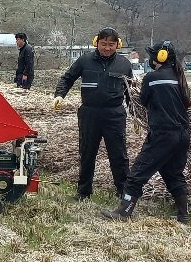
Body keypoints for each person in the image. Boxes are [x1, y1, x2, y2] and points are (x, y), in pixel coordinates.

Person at [105, 41, 191, 223]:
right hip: (183, 135)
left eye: (153, 55)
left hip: (163, 135)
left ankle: (123, 212)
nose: (151, 58)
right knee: (174, 174)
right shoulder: (179, 77)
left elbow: (144, 100)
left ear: (161, 57)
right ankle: (183, 216)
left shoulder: (152, 78)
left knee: (137, 173)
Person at [52, 27, 133, 200]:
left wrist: (134, 113)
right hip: (89, 114)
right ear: (96, 43)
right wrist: (59, 95)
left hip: (115, 115)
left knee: (119, 155)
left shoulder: (124, 64)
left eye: (111, 44)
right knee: (87, 153)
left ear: (117, 45)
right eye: (103, 44)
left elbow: (130, 92)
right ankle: (84, 192)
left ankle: (123, 192)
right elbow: (67, 78)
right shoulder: (84, 60)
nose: (107, 48)